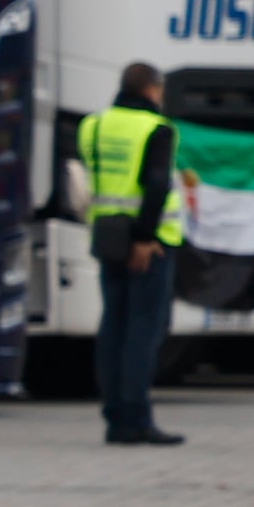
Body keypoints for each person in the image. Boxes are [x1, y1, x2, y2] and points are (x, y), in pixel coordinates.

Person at [79, 61, 189, 447]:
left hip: (108, 235)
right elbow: (157, 184)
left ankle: (114, 417)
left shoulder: (93, 125)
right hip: (148, 242)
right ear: (152, 90)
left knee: (114, 327)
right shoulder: (156, 129)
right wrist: (145, 238)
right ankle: (136, 418)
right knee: (144, 330)